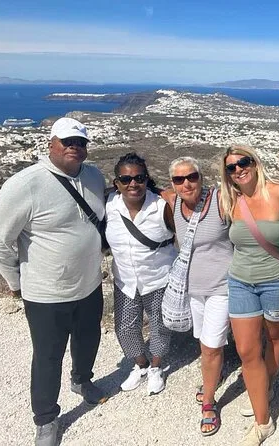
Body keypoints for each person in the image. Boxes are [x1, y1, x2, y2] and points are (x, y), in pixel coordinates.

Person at [0, 117, 107, 446]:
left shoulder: (94, 176)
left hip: (89, 284)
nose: (74, 147)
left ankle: (82, 381)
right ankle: (46, 419)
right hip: (46, 294)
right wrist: (16, 283)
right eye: (67, 141)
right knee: (48, 357)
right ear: (51, 144)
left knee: (88, 340)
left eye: (80, 142)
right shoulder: (25, 184)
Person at [219, 145, 279, 446]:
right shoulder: (229, 200)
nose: (239, 169)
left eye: (243, 162)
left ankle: (266, 384)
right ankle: (263, 423)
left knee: (275, 338)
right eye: (231, 167)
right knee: (247, 351)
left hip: (276, 280)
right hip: (240, 282)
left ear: (255, 162)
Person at [164, 156, 233, 437]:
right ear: (172, 183)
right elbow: (147, 190)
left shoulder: (219, 201)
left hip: (221, 287)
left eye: (192, 176)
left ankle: (209, 403)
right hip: (192, 289)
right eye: (179, 179)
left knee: (211, 346)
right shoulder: (173, 202)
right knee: (204, 342)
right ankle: (214, 375)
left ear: (201, 177)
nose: (186, 184)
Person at [105, 152, 177, 396]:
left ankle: (156, 367)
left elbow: (182, 232)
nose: (133, 184)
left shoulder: (161, 206)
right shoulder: (109, 205)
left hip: (158, 278)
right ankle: (141, 364)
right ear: (116, 183)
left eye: (139, 178)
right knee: (124, 328)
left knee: (159, 326)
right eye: (126, 179)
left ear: (147, 179)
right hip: (125, 280)